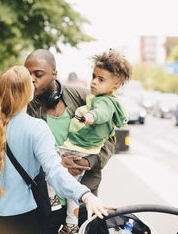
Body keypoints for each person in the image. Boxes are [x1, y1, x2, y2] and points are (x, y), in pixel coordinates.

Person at [0, 66, 111, 234]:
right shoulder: (37, 129)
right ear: (29, 93)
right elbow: (55, 172)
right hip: (22, 220)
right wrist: (85, 195)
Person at [25, 49, 119, 233]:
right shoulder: (26, 107)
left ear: (54, 75)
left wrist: (88, 161)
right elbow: (20, 150)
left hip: (84, 202)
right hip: (45, 204)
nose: (31, 79)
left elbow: (109, 139)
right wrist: (57, 163)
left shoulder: (85, 98)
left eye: (38, 74)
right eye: (27, 74)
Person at [52, 50, 132, 233]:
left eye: (101, 79)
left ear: (115, 85)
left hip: (86, 184)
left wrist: (87, 161)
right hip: (59, 195)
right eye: (94, 77)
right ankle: (70, 224)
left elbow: (103, 122)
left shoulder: (101, 101)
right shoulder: (93, 96)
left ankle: (71, 225)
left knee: (76, 201)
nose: (94, 81)